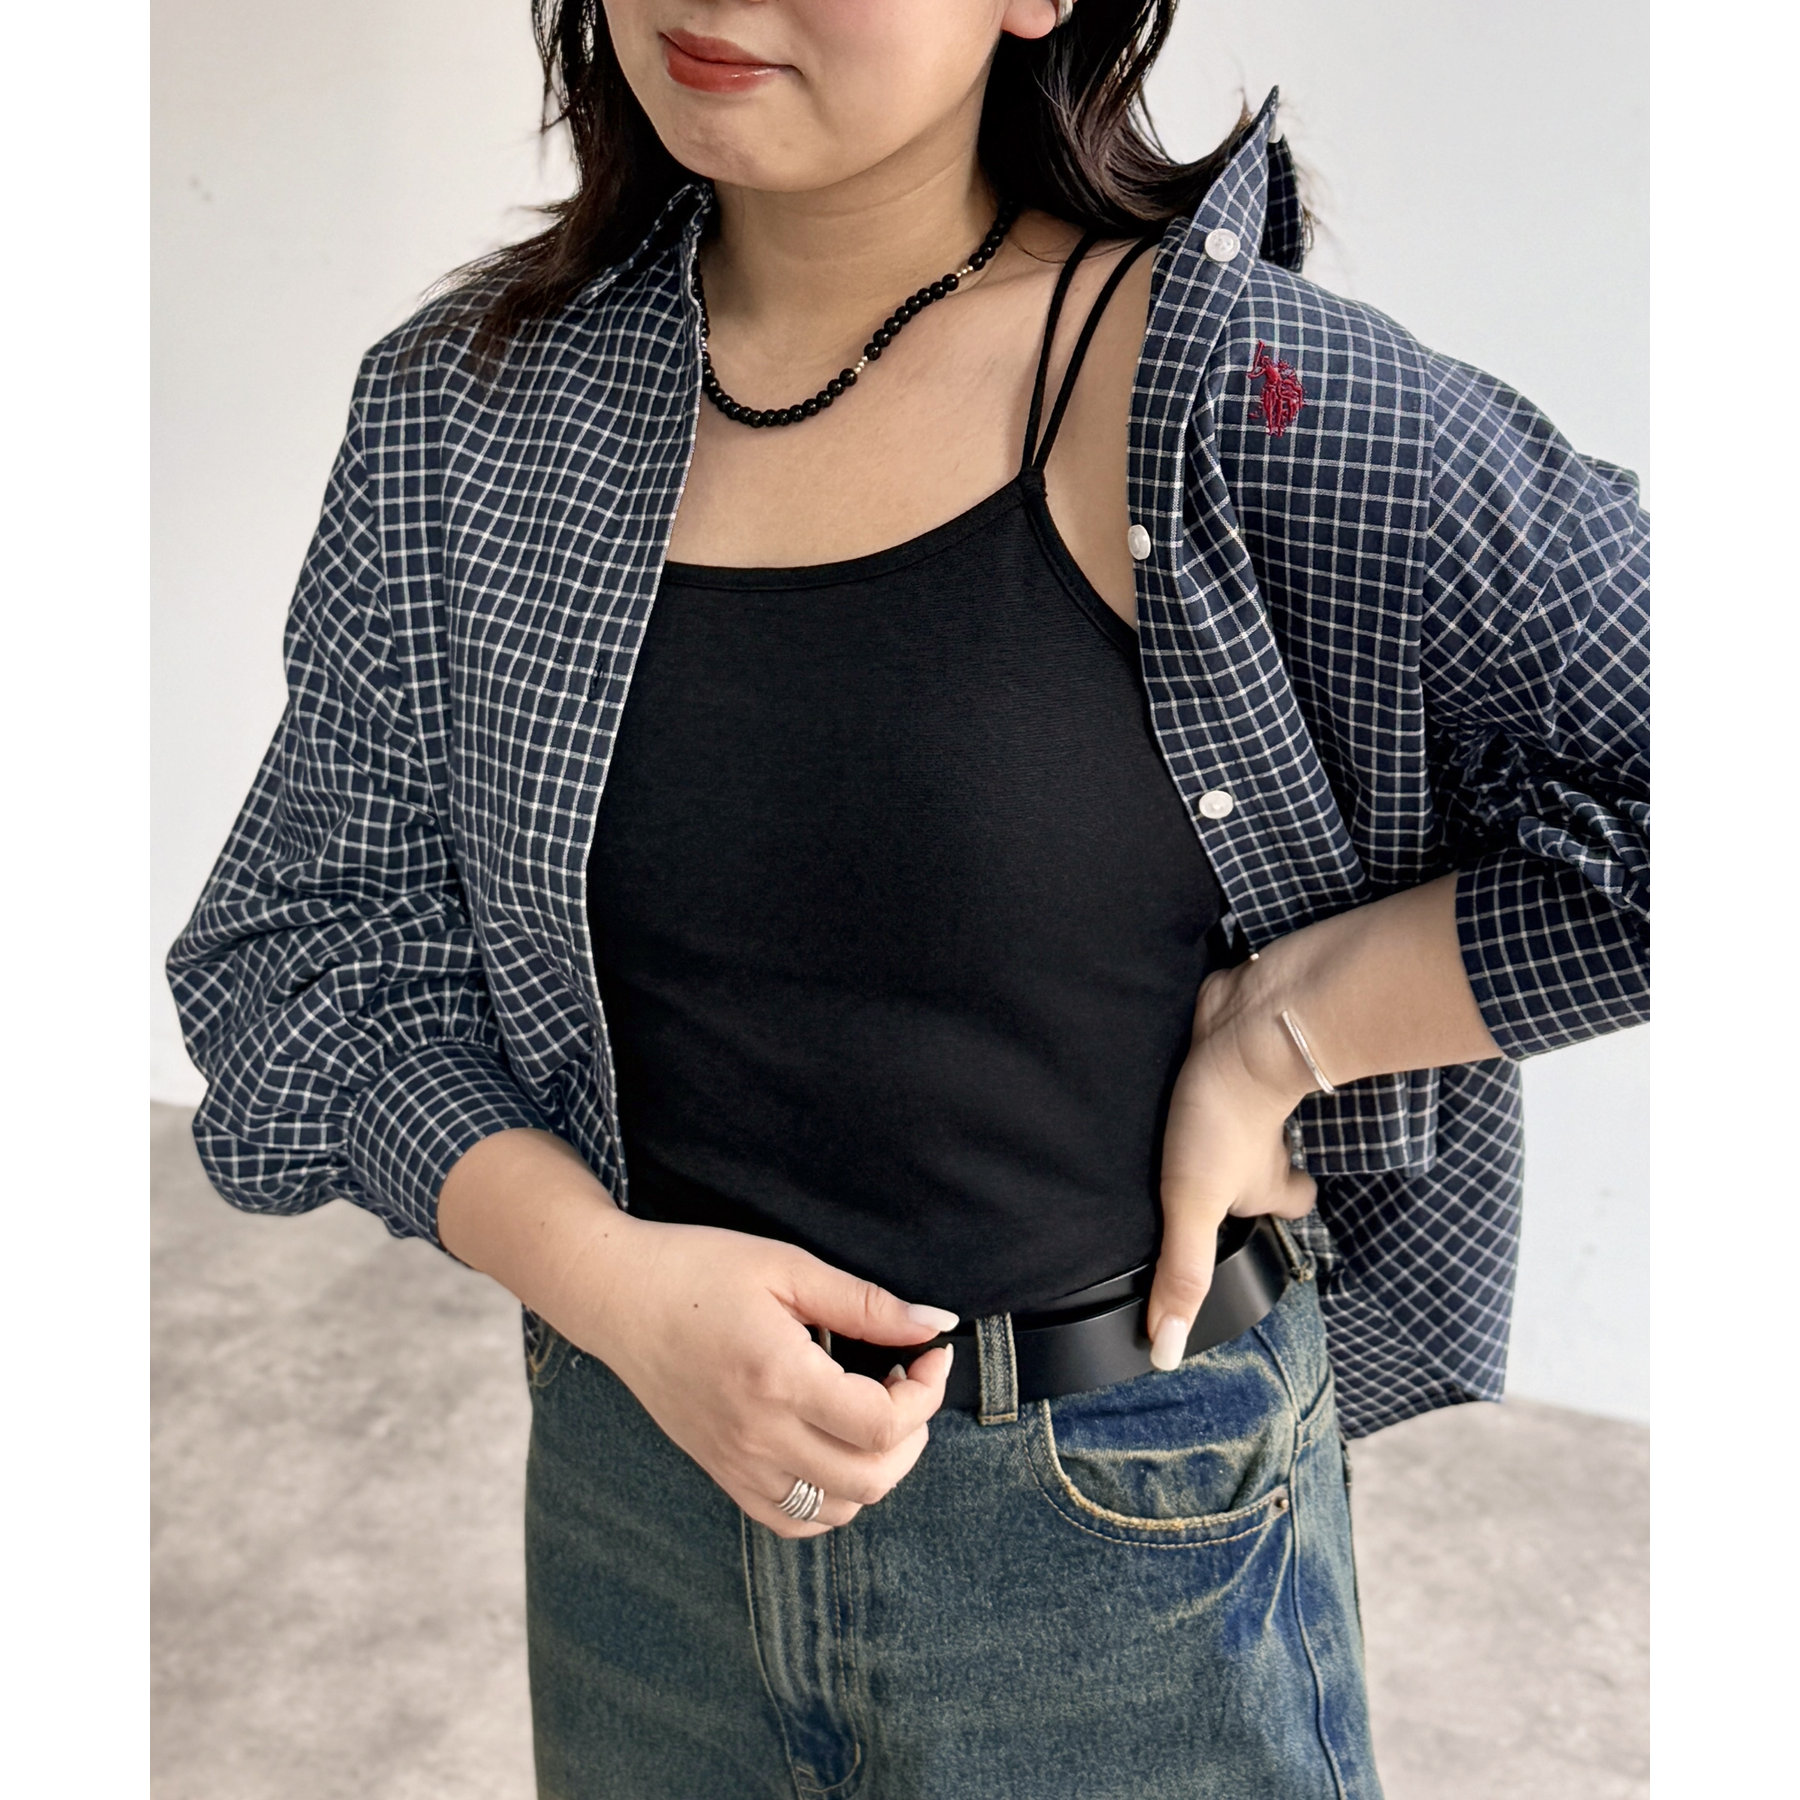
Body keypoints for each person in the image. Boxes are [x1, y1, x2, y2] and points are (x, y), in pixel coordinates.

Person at [166, 2, 1649, 1795]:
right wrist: (610, 1283)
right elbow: (303, 954)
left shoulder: (1235, 392)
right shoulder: (464, 409)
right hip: (640, 1514)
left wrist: (1295, 1031)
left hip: (1128, 1547)